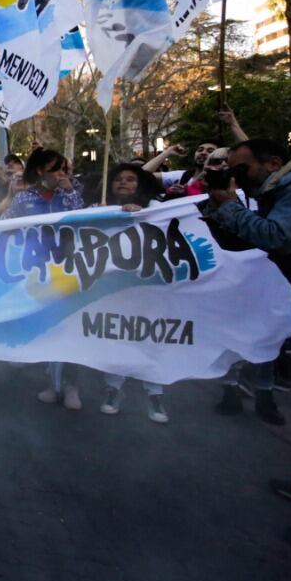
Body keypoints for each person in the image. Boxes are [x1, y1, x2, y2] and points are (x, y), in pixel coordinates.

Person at [198, 139, 291, 527]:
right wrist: (212, 206)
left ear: (274, 163)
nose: (235, 177)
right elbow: (239, 240)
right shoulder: (274, 190)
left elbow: (276, 237)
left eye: (241, 169)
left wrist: (229, 204)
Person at [0, 148, 87, 409]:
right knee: (47, 324)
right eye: (55, 169)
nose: (61, 174)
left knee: (70, 327)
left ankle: (71, 386)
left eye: (64, 169)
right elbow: (3, 224)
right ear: (40, 171)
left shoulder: (73, 191)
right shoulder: (25, 198)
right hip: (36, 270)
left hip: (70, 269)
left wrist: (69, 190)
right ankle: (53, 384)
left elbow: (82, 218)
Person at [92, 164, 172, 423]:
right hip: (112, 290)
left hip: (150, 289)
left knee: (151, 338)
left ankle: (155, 393)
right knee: (115, 338)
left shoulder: (157, 211)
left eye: (130, 180)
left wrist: (140, 215)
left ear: (141, 186)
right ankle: (113, 388)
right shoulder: (96, 210)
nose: (123, 184)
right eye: (117, 180)